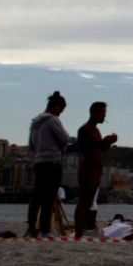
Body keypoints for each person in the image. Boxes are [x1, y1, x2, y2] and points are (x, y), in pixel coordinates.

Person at [27, 90, 75, 238]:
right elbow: (65, 138)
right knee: (49, 197)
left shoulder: (35, 123)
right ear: (55, 106)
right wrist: (76, 141)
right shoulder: (53, 120)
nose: (61, 113)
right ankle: (45, 229)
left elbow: (31, 145)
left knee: (36, 197)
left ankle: (31, 228)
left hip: (39, 162)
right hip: (52, 162)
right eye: (61, 109)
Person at [74, 101, 119, 238]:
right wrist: (103, 141)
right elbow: (86, 148)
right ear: (94, 112)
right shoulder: (85, 129)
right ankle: (78, 232)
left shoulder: (96, 130)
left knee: (88, 202)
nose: (104, 116)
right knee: (84, 201)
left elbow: (100, 150)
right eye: (102, 113)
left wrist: (107, 142)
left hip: (95, 168)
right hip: (88, 168)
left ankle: (80, 231)